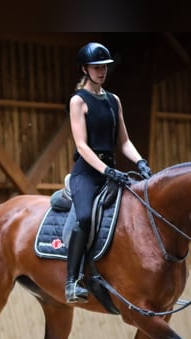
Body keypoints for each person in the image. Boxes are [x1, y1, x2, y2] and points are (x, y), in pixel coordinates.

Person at [65, 41, 152, 304]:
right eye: (96, 67)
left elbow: (124, 141)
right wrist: (106, 170)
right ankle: (72, 281)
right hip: (87, 173)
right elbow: (81, 144)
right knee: (84, 218)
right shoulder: (78, 101)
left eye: (104, 67)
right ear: (85, 69)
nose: (102, 71)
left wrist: (140, 162)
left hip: (111, 172)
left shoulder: (114, 100)